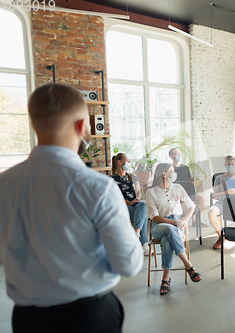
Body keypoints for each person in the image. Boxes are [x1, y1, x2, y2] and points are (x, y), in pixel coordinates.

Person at [0, 83, 143, 332]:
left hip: (26, 320)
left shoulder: (4, 184)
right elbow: (128, 264)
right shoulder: (98, 187)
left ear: (34, 124)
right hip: (88, 317)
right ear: (81, 127)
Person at [145, 163, 202, 295]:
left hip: (177, 223)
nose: (175, 173)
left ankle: (165, 278)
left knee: (167, 240)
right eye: (172, 171)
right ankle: (188, 265)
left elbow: (191, 206)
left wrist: (184, 220)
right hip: (159, 225)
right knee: (169, 230)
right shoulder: (151, 192)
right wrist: (175, 223)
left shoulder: (177, 187)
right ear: (164, 175)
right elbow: (155, 217)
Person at [111, 153, 150, 255]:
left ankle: (136, 234)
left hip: (136, 206)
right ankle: (144, 244)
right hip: (123, 209)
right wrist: (129, 202)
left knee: (142, 204)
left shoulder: (132, 176)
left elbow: (139, 191)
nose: (129, 162)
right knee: (143, 215)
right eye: (127, 160)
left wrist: (138, 198)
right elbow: (115, 197)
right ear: (120, 162)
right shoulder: (112, 180)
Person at [169, 147, 208, 228]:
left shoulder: (185, 167)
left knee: (201, 197)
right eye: (176, 154)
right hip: (177, 193)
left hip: (188, 192)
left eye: (179, 154)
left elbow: (190, 182)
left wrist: (193, 194)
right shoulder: (170, 169)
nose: (179, 155)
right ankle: (182, 222)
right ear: (171, 156)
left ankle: (197, 220)